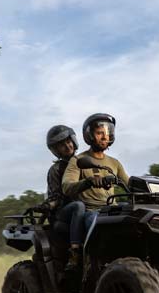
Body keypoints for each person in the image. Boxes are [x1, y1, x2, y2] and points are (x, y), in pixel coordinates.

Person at [62, 113, 129, 267]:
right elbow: (67, 187)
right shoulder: (78, 160)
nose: (104, 137)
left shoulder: (114, 163)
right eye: (99, 133)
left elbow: (129, 184)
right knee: (98, 224)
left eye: (107, 133)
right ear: (89, 135)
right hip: (91, 211)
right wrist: (88, 182)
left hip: (112, 210)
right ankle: (86, 261)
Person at [31, 125, 87, 266]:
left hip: (89, 208)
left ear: (73, 140)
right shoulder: (56, 170)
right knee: (78, 206)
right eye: (62, 145)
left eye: (68, 141)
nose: (67, 146)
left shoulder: (86, 162)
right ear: (55, 150)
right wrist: (48, 205)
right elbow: (55, 196)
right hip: (63, 212)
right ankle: (75, 252)